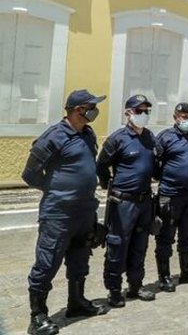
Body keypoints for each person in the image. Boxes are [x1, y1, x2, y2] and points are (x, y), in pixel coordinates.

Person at [22, 90, 108, 335]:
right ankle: (38, 316)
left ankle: (76, 302)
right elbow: (29, 174)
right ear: (78, 109)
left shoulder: (88, 134)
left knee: (80, 257)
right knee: (48, 261)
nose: (95, 110)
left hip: (85, 210)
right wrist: (56, 190)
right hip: (58, 213)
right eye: (91, 106)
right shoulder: (54, 136)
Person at [97, 95, 157, 306]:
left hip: (144, 201)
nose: (143, 115)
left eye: (146, 111)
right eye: (139, 111)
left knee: (140, 244)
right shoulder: (117, 139)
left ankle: (135, 285)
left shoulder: (149, 137)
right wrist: (108, 185)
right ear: (128, 113)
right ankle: (114, 289)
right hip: (123, 202)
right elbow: (101, 165)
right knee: (118, 244)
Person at [153, 103, 188, 293]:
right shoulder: (165, 137)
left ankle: (187, 271)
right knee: (165, 237)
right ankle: (164, 276)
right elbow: (155, 165)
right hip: (171, 195)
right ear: (175, 118)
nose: (187, 120)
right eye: (183, 117)